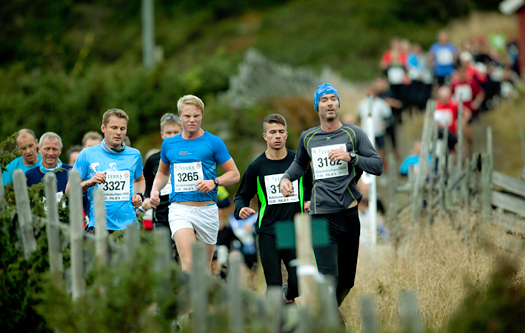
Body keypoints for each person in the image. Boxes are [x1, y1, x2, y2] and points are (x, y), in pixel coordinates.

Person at [279, 83, 383, 311]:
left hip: (348, 214)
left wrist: (351, 157)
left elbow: (377, 165)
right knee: (328, 280)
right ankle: (332, 324)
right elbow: (299, 165)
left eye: (332, 99)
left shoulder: (354, 134)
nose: (329, 103)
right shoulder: (308, 137)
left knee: (347, 282)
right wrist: (286, 178)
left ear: (338, 104)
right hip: (319, 216)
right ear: (318, 106)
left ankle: (324, 316)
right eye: (324, 99)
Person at [149, 95, 240, 272]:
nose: (192, 120)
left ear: (201, 116)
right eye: (187, 116)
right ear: (180, 116)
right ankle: (187, 300)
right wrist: (154, 190)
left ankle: (202, 299)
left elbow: (234, 174)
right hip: (180, 209)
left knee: (204, 268)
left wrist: (215, 182)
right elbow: (162, 173)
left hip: (207, 210)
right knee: (189, 264)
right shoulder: (169, 144)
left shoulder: (214, 142)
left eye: (196, 116)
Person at [234, 114, 312, 305]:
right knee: (274, 285)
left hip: (292, 229)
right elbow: (241, 195)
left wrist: (310, 201)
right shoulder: (256, 167)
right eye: (272, 132)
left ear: (286, 135)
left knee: (298, 283)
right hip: (268, 230)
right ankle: (274, 322)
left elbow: (312, 188)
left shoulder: (299, 162)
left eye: (280, 132)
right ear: (265, 136)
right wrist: (240, 208)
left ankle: (286, 299)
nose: (277, 136)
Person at [67, 108, 145, 232]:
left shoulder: (134, 155)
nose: (118, 132)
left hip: (129, 227)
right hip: (99, 227)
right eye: (114, 128)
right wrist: (91, 181)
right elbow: (69, 190)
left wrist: (139, 194)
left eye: (122, 129)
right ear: (103, 128)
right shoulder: (87, 154)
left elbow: (140, 179)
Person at [357, 86, 393, 170]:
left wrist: (385, 124)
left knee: (381, 151)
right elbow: (358, 117)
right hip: (365, 132)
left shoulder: (381, 104)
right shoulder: (362, 104)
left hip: (378, 132)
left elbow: (389, 117)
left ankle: (381, 169)